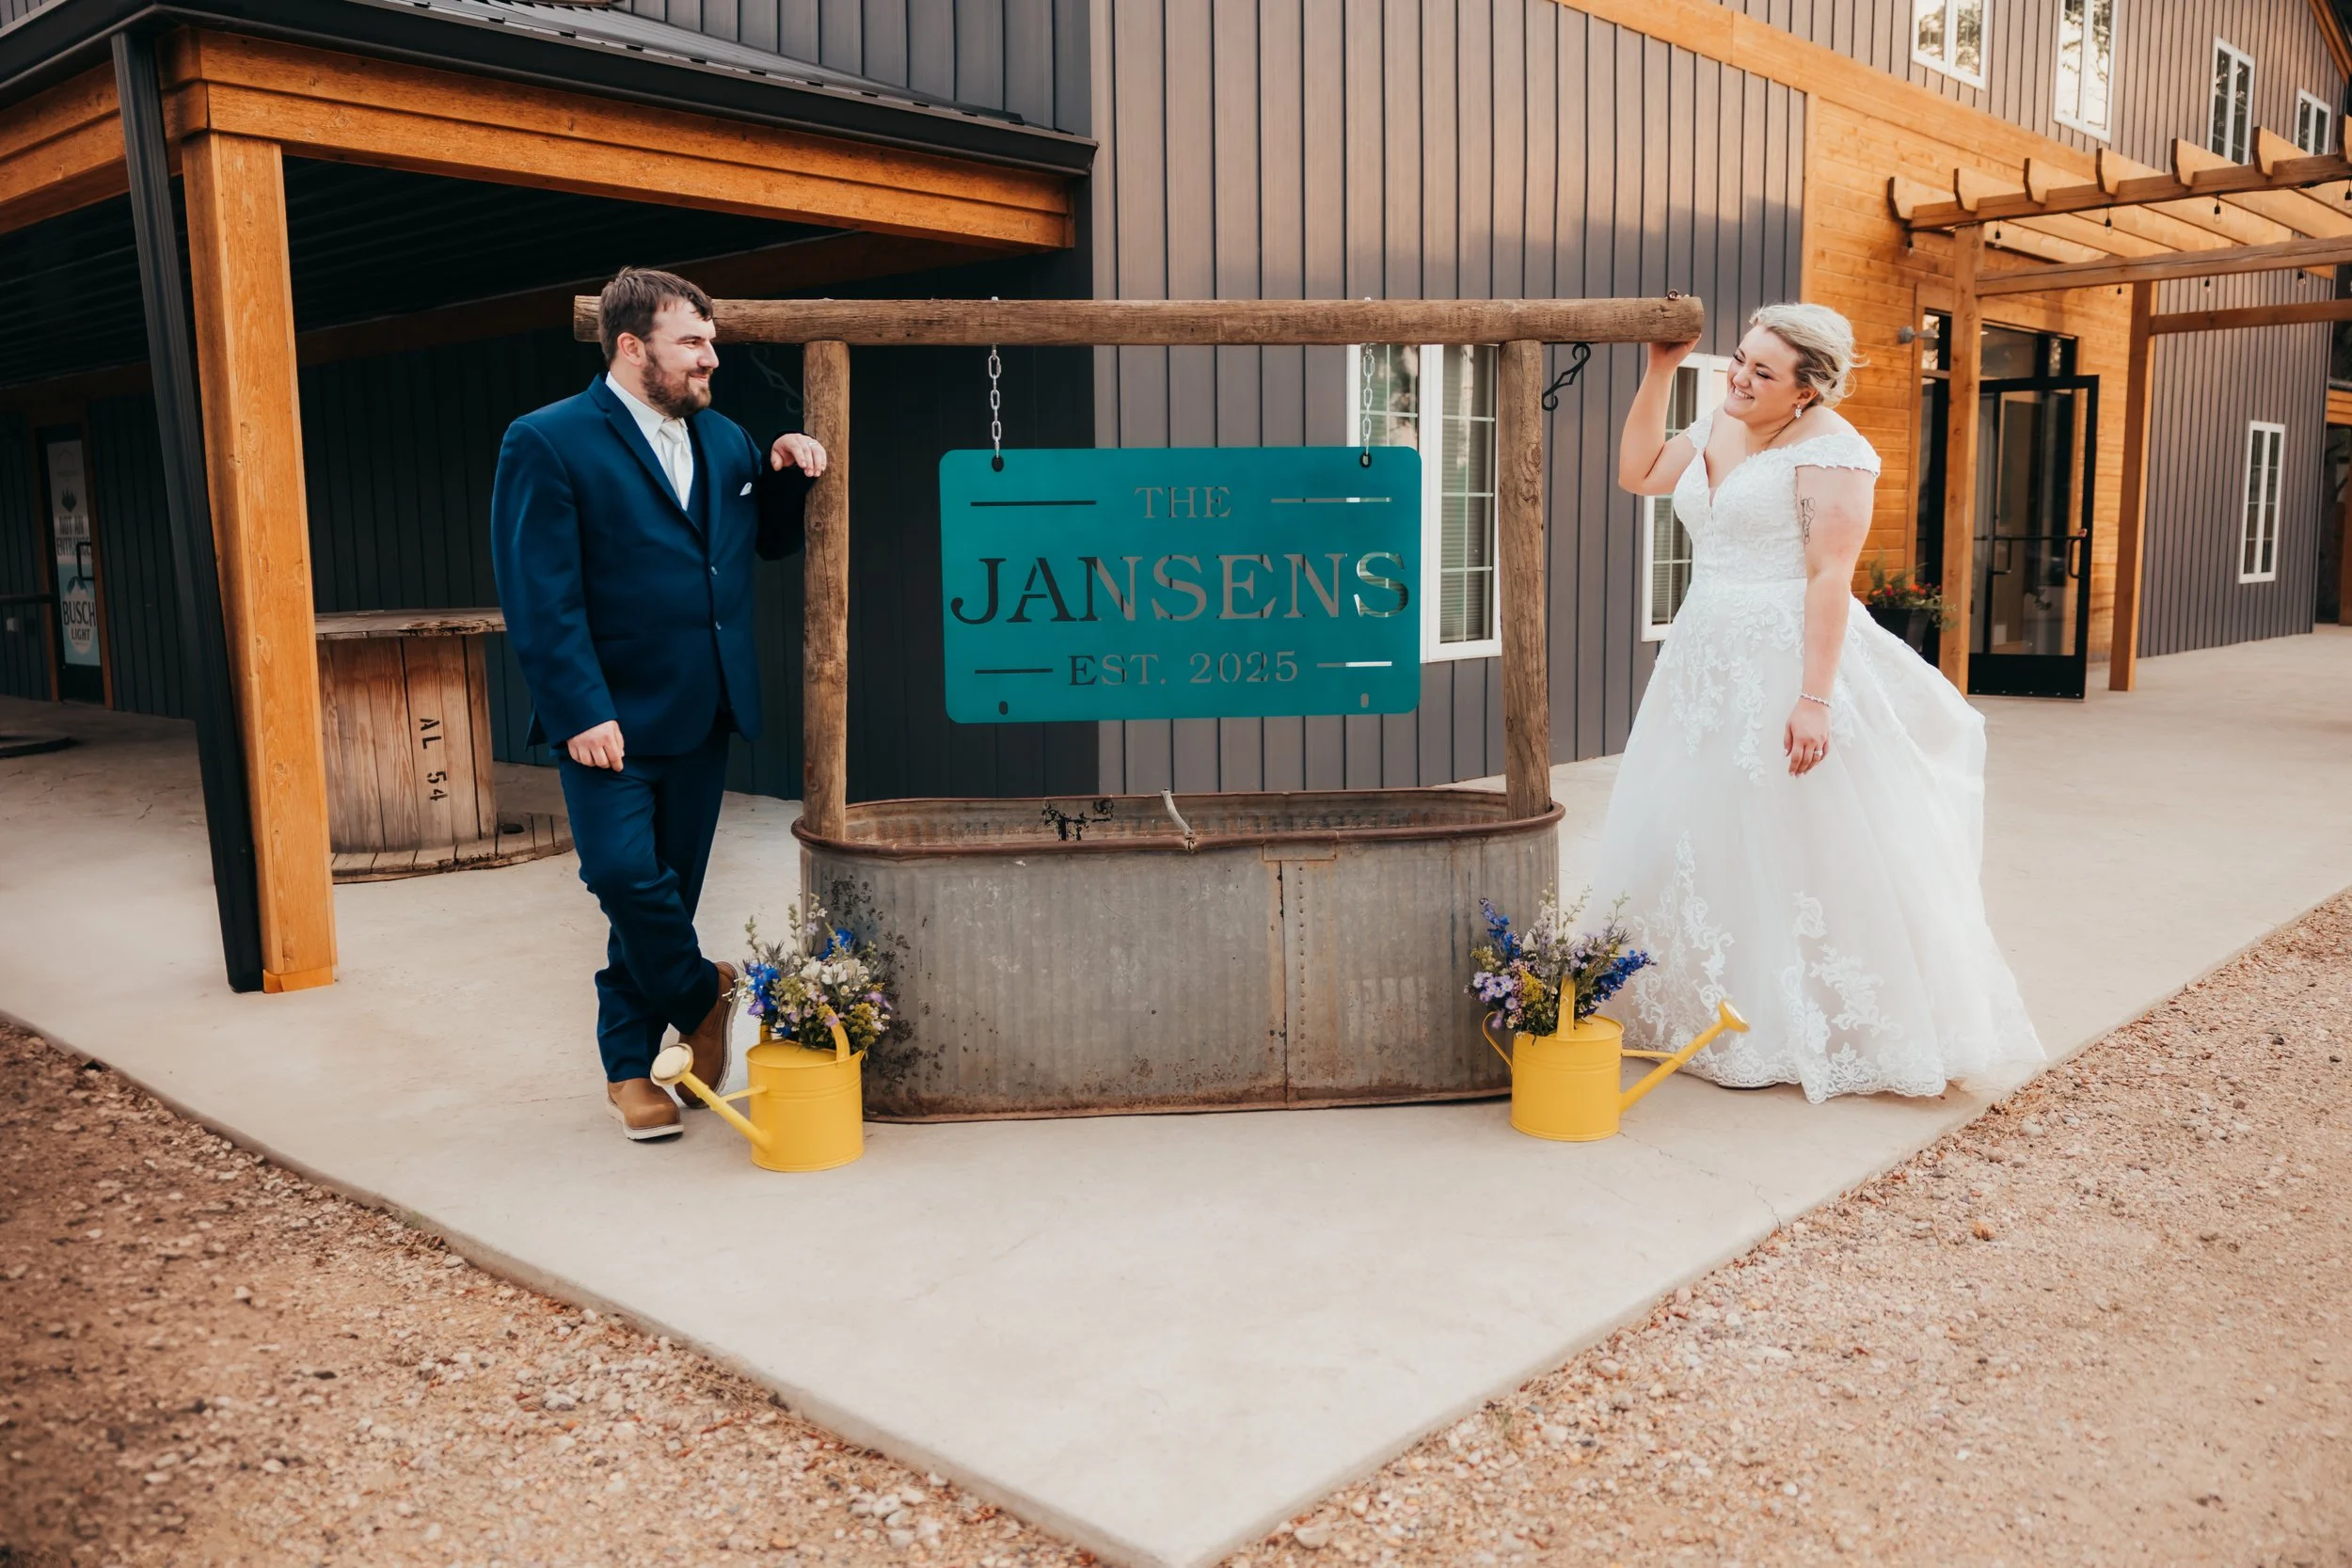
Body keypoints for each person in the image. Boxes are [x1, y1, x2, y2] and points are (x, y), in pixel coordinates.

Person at [1599, 302, 2042, 1101]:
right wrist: (1662, 368)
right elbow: (1637, 474)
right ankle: (1705, 1005)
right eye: (1740, 359)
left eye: (1763, 373)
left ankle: (1813, 1021)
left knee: (1799, 836)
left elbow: (1827, 575)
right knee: (1698, 826)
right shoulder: (1717, 423)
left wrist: (1814, 698)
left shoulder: (1835, 452)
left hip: (1785, 653)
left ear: (1806, 392)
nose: (1739, 377)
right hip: (1704, 653)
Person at [492, 268, 827, 1142]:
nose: (711, 356)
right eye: (692, 341)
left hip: (703, 705)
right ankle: (702, 992)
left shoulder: (722, 441)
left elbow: (764, 545)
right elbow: (540, 594)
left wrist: (784, 472)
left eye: (711, 339)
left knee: (663, 897)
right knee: (619, 875)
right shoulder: (547, 440)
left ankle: (627, 1070)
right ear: (632, 347)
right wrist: (576, 707)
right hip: (604, 718)